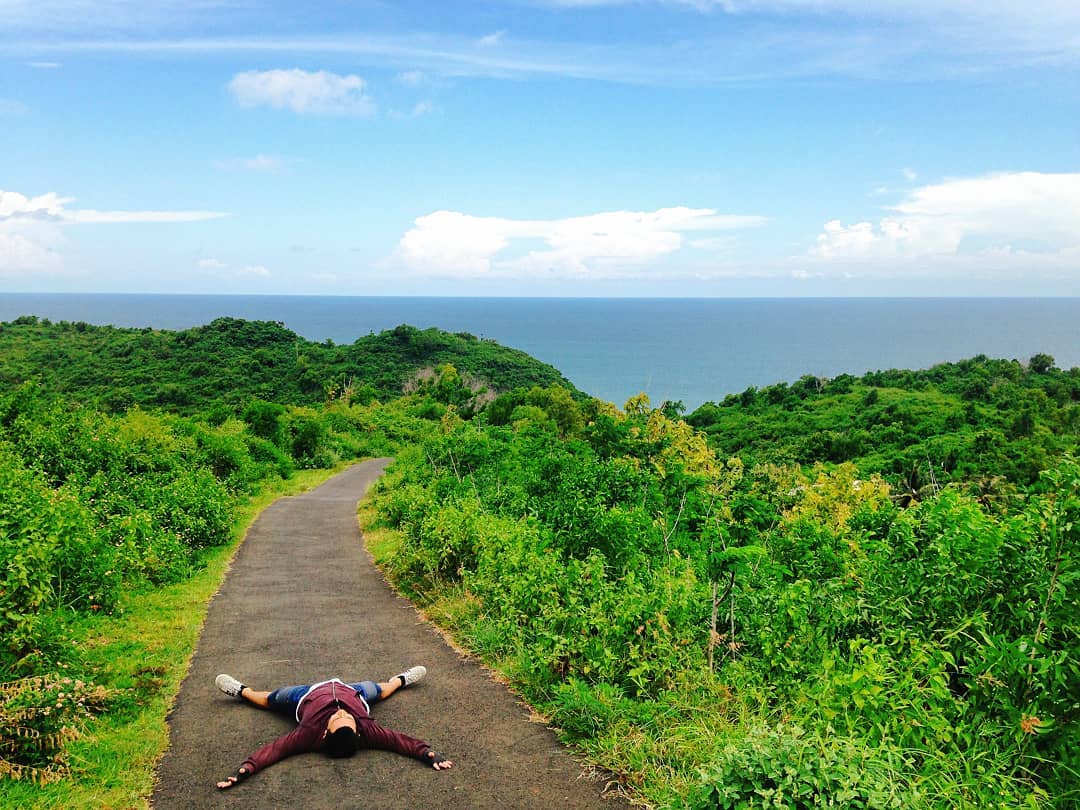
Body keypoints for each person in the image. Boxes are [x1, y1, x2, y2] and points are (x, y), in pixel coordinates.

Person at [213, 665, 453, 789]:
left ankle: (242, 691)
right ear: (358, 730)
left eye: (338, 719)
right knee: (381, 690)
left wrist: (245, 769)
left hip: (305, 695)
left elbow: (276, 750)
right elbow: (400, 741)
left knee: (267, 699)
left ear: (326, 732)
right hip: (353, 691)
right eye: (346, 717)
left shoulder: (308, 734)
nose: (341, 713)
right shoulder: (368, 730)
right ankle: (401, 679)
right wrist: (428, 753)